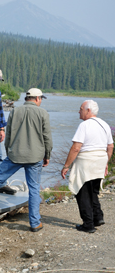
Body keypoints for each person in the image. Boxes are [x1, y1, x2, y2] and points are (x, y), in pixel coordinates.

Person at [0, 88, 53, 233]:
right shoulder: (42, 113)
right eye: (40, 99)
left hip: (15, 155)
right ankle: (35, 223)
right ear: (37, 98)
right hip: (35, 156)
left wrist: (9, 151)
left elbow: (9, 135)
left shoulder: (15, 111)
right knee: (33, 188)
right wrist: (47, 155)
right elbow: (47, 138)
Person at [61, 100, 114, 233]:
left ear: (88, 110)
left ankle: (88, 224)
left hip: (86, 161)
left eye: (81, 109)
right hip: (101, 159)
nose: (79, 111)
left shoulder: (84, 125)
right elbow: (110, 146)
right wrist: (106, 162)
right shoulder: (105, 124)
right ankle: (98, 217)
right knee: (93, 191)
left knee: (82, 191)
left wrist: (66, 166)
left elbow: (76, 148)